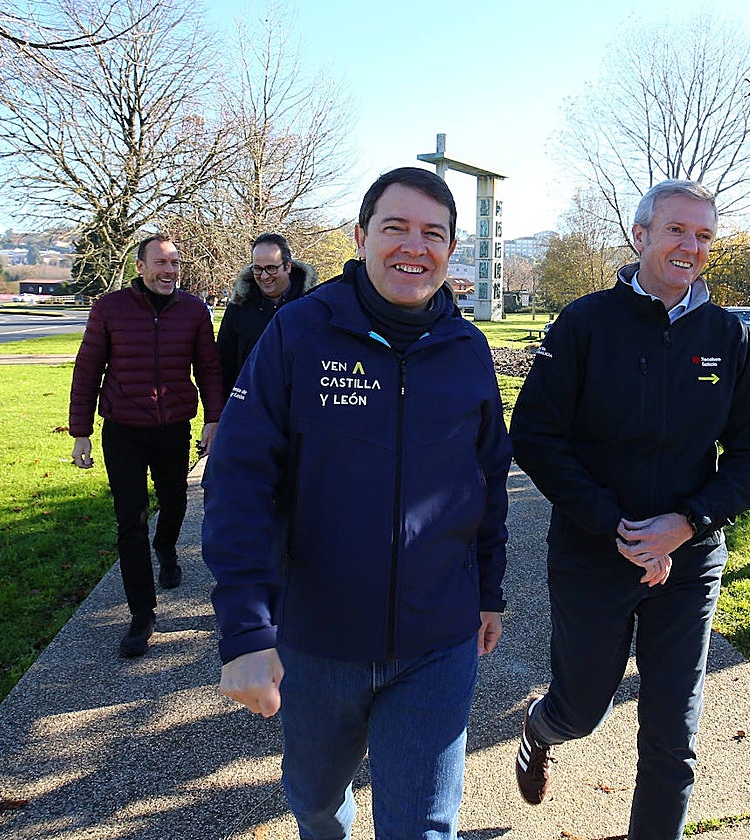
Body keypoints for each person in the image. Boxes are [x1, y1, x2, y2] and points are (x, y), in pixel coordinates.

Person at [202, 167, 511, 840]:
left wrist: (488, 589)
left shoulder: (467, 349)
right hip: (317, 640)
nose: (414, 246)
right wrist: (246, 628)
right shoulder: (298, 334)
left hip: (437, 640)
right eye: (395, 227)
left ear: (452, 249)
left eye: (433, 233)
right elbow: (238, 481)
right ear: (360, 235)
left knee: (424, 827)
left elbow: (487, 479)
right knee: (315, 803)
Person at [508, 179, 750, 838]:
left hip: (690, 562)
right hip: (594, 555)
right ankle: (541, 730)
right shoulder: (585, 323)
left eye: (705, 236)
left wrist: (686, 524)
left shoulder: (726, 337)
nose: (692, 247)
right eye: (678, 231)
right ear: (641, 235)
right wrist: (618, 528)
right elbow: (536, 435)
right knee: (584, 711)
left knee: (672, 734)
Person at [68, 233, 224, 658]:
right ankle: (142, 614)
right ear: (140, 267)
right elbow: (87, 371)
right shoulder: (110, 309)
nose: (169, 271)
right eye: (160, 262)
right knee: (130, 521)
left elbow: (208, 368)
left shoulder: (194, 310)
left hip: (173, 427)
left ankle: (167, 547)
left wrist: (214, 419)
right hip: (123, 430)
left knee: (174, 502)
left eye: (175, 263)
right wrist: (79, 431)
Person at [216, 232, 318, 392]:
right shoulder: (238, 307)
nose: (264, 276)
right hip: (249, 406)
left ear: (288, 266)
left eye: (271, 268)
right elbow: (223, 364)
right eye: (257, 269)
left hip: (298, 406)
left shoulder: (313, 307)